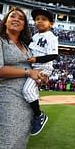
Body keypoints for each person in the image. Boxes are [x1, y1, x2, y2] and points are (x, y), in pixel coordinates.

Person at [0, 7, 46, 149]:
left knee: (20, 144)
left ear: (24, 25)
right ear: (5, 21)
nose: (16, 19)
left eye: (21, 18)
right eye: (12, 16)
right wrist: (28, 72)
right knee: (9, 145)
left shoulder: (27, 46)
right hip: (9, 97)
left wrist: (40, 77)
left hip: (28, 100)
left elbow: (34, 70)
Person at [25, 8, 58, 136]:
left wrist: (36, 59)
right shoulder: (35, 36)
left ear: (51, 24)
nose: (39, 21)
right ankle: (33, 114)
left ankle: (39, 115)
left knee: (27, 90)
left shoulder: (51, 37)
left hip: (44, 67)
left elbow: (54, 55)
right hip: (34, 67)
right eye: (37, 19)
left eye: (44, 19)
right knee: (29, 90)